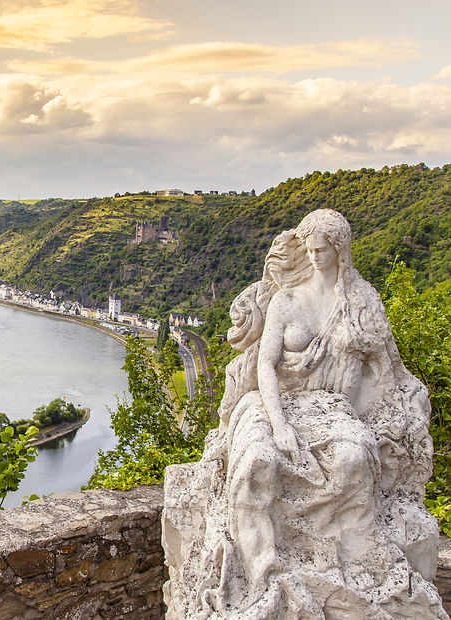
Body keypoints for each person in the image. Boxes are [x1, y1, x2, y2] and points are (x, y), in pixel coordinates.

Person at [162, 209, 447, 619]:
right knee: (256, 463)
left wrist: (397, 412)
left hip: (332, 409)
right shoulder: (287, 300)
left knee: (352, 460)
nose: (313, 257)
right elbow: (265, 366)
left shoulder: (361, 302)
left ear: (340, 250)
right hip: (272, 403)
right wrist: (279, 425)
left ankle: (350, 567)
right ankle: (263, 577)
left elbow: (386, 369)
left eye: (321, 250)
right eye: (308, 249)